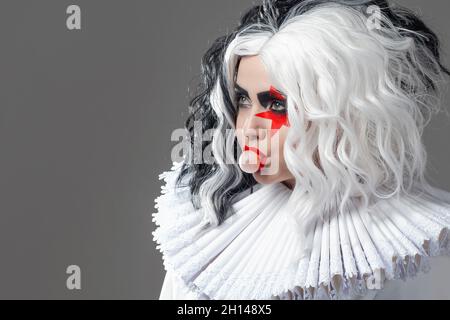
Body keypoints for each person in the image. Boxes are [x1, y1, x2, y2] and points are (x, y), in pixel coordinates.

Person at [152, 0, 450, 300]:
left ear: (337, 113)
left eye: (277, 105)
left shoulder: (415, 247)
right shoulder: (211, 221)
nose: (249, 128)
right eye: (243, 100)